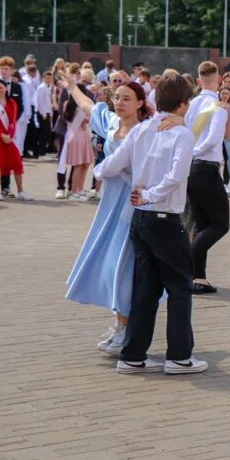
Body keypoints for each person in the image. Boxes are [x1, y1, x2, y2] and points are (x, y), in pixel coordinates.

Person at [94, 73, 207, 375]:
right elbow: (177, 175)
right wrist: (150, 195)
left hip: (140, 219)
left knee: (146, 288)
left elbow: (109, 166)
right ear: (184, 104)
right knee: (180, 287)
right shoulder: (179, 134)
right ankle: (180, 356)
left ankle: (133, 355)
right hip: (163, 216)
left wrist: (107, 174)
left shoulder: (142, 130)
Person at [64, 74, 174, 354]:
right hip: (109, 206)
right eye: (117, 98)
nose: (120, 102)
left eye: (127, 98)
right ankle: (121, 324)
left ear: (140, 103)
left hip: (133, 205)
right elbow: (88, 105)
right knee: (110, 263)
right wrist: (71, 87)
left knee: (123, 265)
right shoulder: (111, 123)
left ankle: (126, 328)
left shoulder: (148, 130)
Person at [185, 62, 230, 294]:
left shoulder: (192, 104)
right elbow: (213, 140)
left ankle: (198, 278)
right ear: (219, 78)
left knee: (203, 224)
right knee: (220, 224)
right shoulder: (217, 106)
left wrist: (187, 156)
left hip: (189, 169)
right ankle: (188, 254)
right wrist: (195, 153)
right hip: (205, 166)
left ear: (198, 79)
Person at [0, 79, 33, 201]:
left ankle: (21, 191)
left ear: (6, 89)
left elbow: (13, 121)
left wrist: (9, 135)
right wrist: (1, 134)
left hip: (8, 138)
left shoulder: (12, 103)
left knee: (16, 163)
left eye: (0, 88)